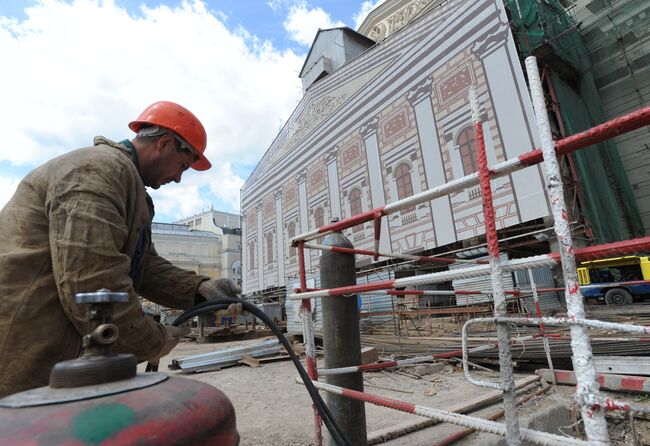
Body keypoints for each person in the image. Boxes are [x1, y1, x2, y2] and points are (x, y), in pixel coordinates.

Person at [0, 101, 237, 397]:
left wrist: (199, 289)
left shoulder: (126, 183)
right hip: (26, 347)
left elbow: (143, 266)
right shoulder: (97, 171)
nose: (178, 177)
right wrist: (155, 339)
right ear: (165, 143)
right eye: (183, 166)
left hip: (54, 349)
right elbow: (91, 280)